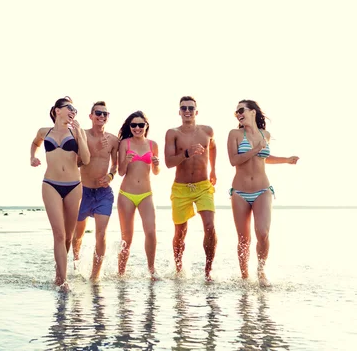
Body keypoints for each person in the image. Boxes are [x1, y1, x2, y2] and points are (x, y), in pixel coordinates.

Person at [227, 99, 299, 287]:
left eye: (241, 110)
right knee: (243, 239)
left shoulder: (264, 134)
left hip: (263, 190)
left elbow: (264, 158)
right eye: (236, 112)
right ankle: (244, 277)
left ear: (253, 112)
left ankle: (261, 271)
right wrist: (255, 149)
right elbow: (234, 160)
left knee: (263, 233)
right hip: (240, 192)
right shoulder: (234, 134)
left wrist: (286, 160)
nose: (238, 114)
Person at [30, 96, 90, 291]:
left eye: (75, 109)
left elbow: (87, 159)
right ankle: (63, 282)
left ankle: (59, 274)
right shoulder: (44, 131)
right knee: (58, 233)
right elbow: (35, 143)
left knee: (68, 237)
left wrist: (80, 135)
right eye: (69, 107)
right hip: (50, 184)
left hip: (73, 185)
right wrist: (32, 157)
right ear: (57, 110)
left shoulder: (76, 132)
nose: (73, 111)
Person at [164, 96, 217, 281]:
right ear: (179, 112)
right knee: (180, 232)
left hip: (203, 186)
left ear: (196, 111)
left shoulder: (207, 131)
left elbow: (213, 147)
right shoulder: (173, 133)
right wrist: (186, 153)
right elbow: (169, 162)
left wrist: (214, 170)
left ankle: (208, 271)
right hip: (181, 188)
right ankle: (179, 270)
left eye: (191, 108)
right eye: (184, 108)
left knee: (210, 226)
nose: (187, 111)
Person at [72, 101, 119, 281]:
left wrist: (110, 176)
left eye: (105, 114)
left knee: (101, 234)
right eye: (98, 113)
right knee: (78, 235)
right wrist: (94, 150)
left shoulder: (113, 140)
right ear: (90, 116)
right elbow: (75, 163)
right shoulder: (81, 135)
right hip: (82, 191)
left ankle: (95, 277)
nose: (101, 116)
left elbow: (115, 165)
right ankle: (76, 265)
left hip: (103, 194)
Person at [116, 110, 160, 279]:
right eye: (133, 125)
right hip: (126, 194)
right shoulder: (125, 143)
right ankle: (121, 272)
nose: (137, 128)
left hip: (146, 194)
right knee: (127, 236)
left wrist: (156, 164)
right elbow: (120, 172)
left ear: (146, 126)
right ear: (130, 126)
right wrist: (126, 161)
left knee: (151, 232)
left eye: (140, 125)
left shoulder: (152, 144)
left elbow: (156, 172)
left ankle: (151, 269)